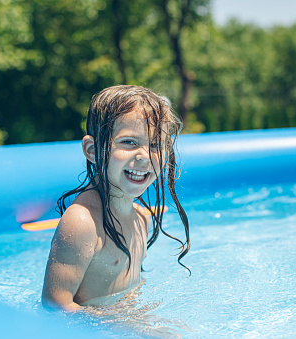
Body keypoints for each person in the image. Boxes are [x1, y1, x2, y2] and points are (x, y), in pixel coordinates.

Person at [41, 85, 190, 311]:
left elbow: (131, 292)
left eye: (155, 144)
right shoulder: (83, 223)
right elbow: (56, 305)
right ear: (92, 150)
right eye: (129, 142)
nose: (144, 156)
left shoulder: (142, 219)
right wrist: (123, 329)